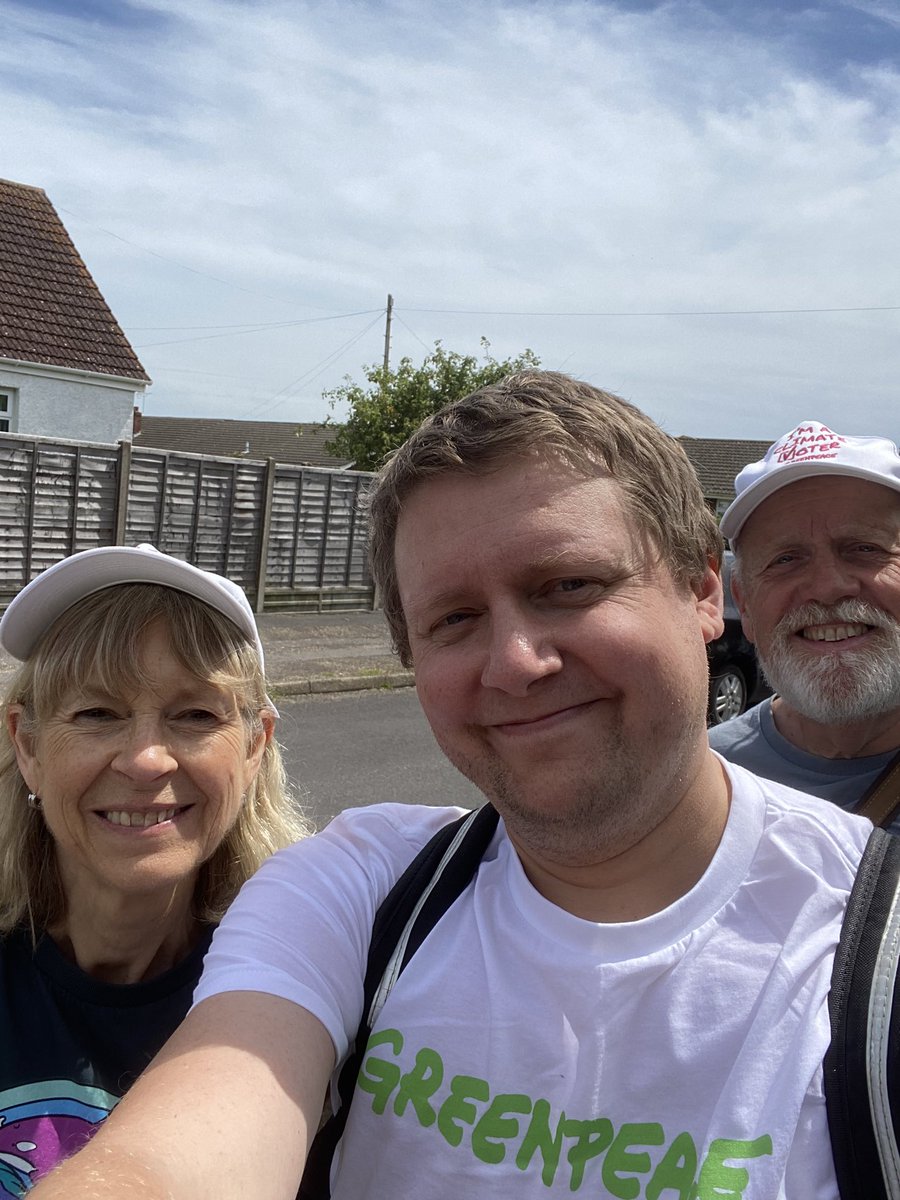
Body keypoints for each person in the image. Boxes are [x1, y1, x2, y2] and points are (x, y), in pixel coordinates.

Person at [31, 376, 875, 1199]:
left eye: (569, 586)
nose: (515, 662)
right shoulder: (362, 889)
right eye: (456, 619)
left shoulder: (873, 949)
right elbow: (190, 1144)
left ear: (702, 589)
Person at [0, 543, 307, 1196]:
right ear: (27, 745)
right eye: (96, 713)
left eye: (195, 715)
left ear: (255, 746)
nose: (146, 760)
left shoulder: (309, 979)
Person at [709, 421, 900, 821]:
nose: (827, 588)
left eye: (864, 548)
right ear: (744, 605)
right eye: (786, 559)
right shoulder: (702, 787)